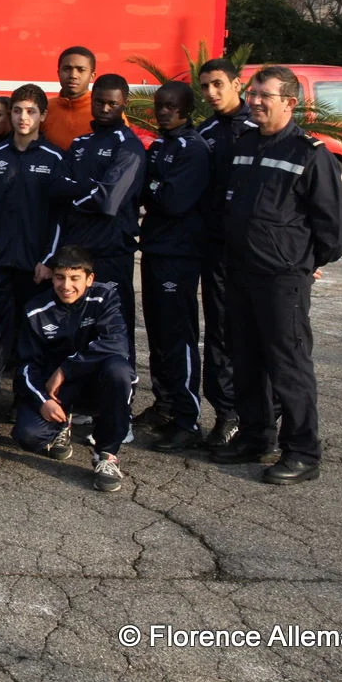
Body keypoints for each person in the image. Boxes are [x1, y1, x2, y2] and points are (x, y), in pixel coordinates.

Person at [214, 66, 342, 484]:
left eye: (264, 96)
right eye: (253, 94)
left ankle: (303, 452)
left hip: (281, 278)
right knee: (246, 360)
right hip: (240, 271)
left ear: (289, 103)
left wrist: (304, 263)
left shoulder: (310, 153)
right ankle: (256, 437)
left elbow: (334, 227)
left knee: (288, 366)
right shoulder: (245, 144)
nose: (254, 101)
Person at [13, 245, 135, 493]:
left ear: (90, 279)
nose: (66, 286)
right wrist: (43, 401)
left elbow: (117, 343)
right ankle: (61, 424)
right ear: (52, 277)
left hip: (95, 383)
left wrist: (66, 369)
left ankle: (107, 454)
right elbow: (26, 366)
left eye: (75, 278)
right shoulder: (36, 309)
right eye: (60, 277)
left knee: (119, 370)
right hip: (56, 390)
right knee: (28, 435)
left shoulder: (105, 297)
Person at [139, 81, 211, 452]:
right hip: (155, 248)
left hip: (179, 255)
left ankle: (187, 419)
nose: (164, 111)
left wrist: (153, 188)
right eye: (160, 105)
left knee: (177, 335)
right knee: (157, 332)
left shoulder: (192, 148)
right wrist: (154, 188)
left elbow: (171, 202)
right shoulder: (160, 145)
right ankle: (164, 404)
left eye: (171, 106)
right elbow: (147, 191)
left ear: (187, 109)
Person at [51, 74, 145, 359]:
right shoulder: (80, 144)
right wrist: (90, 189)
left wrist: (78, 193)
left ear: (123, 104)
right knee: (76, 325)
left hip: (111, 252)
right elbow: (56, 186)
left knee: (113, 325)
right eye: (99, 102)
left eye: (112, 103)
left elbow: (107, 201)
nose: (104, 108)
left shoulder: (129, 146)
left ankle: (121, 380)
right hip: (77, 250)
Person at [0, 84, 63, 369]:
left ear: (43, 115)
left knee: (34, 327)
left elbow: (60, 217)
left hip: (36, 264)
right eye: (17, 111)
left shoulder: (55, 158)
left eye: (31, 111)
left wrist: (49, 259)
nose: (23, 117)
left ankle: (27, 387)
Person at [194, 57, 254, 448]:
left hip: (256, 254)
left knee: (255, 333)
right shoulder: (206, 133)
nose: (211, 93)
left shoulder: (258, 130)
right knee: (218, 332)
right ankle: (226, 414)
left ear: (237, 84)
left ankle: (261, 417)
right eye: (205, 86)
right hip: (216, 251)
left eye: (218, 84)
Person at [41, 46, 97, 150]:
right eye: (67, 69)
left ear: (92, 76)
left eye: (81, 70)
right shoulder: (45, 109)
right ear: (58, 73)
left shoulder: (103, 110)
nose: (73, 75)